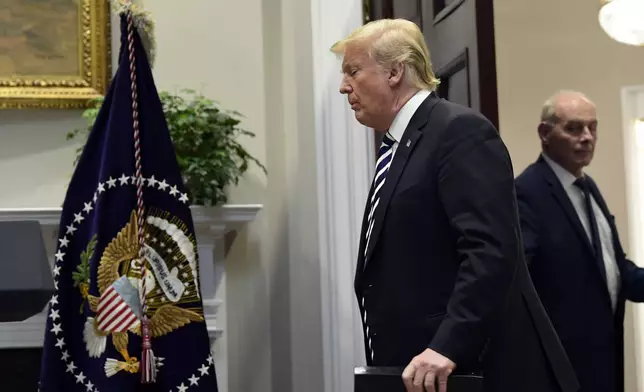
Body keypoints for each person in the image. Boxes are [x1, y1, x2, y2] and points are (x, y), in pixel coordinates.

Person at [330, 19, 579, 392]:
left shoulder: (457, 131)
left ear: (395, 71)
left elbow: (491, 250)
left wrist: (447, 344)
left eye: (353, 70)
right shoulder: (402, 145)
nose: (343, 86)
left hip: (468, 369)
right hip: (422, 371)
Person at [515, 90, 644, 392]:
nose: (586, 137)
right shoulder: (527, 192)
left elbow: (614, 272)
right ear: (544, 133)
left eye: (592, 127)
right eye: (573, 128)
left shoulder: (588, 187)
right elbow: (520, 283)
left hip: (605, 362)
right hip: (558, 369)